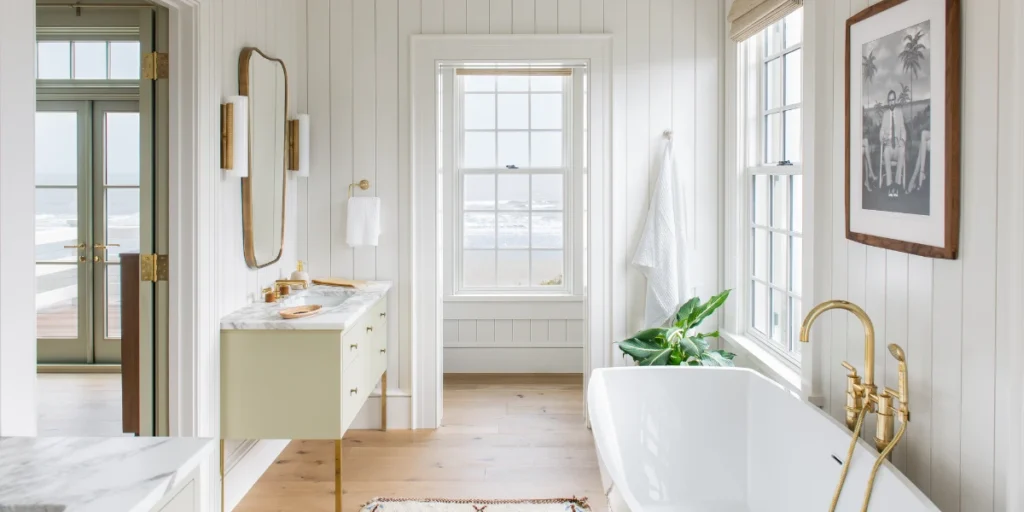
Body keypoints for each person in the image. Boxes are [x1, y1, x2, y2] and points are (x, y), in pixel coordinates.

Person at [878, 90, 907, 195]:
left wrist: (903, 140)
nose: (891, 102)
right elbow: (881, 130)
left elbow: (903, 129)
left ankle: (897, 184)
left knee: (902, 150)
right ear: (888, 101)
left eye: (893, 99)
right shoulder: (885, 114)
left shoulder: (899, 112)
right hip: (889, 145)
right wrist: (883, 138)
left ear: (895, 100)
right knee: (885, 151)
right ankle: (890, 185)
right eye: (889, 100)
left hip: (898, 144)